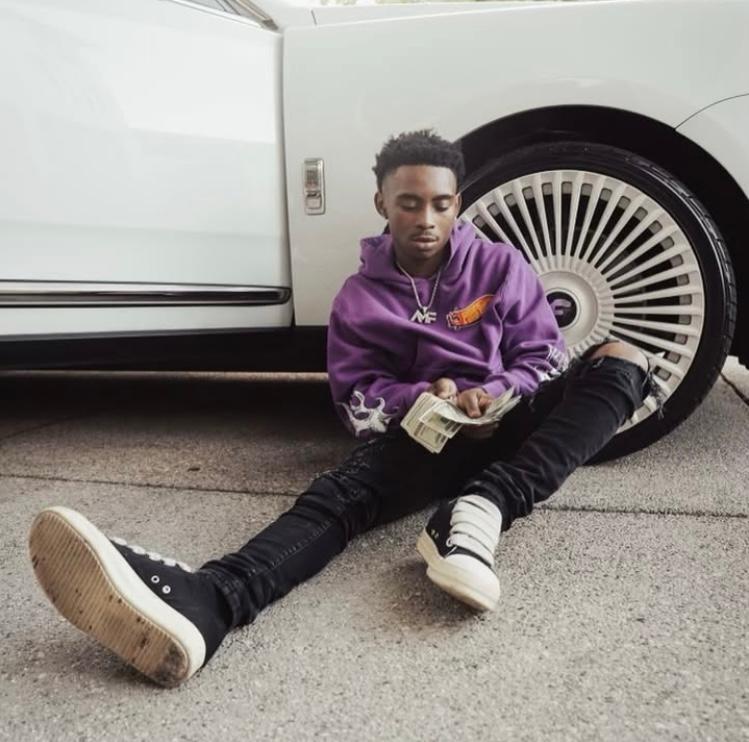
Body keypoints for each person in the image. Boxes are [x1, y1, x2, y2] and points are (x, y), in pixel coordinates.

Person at [28, 130, 651, 688]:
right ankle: (212, 603)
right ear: (382, 203)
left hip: (517, 424)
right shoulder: (358, 299)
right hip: (428, 436)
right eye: (409, 203)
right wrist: (418, 397)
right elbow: (355, 405)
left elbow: (545, 355)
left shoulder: (499, 265)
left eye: (441, 203)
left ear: (458, 203)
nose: (426, 219)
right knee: (338, 498)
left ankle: (484, 507)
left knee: (623, 358)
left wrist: (494, 390)